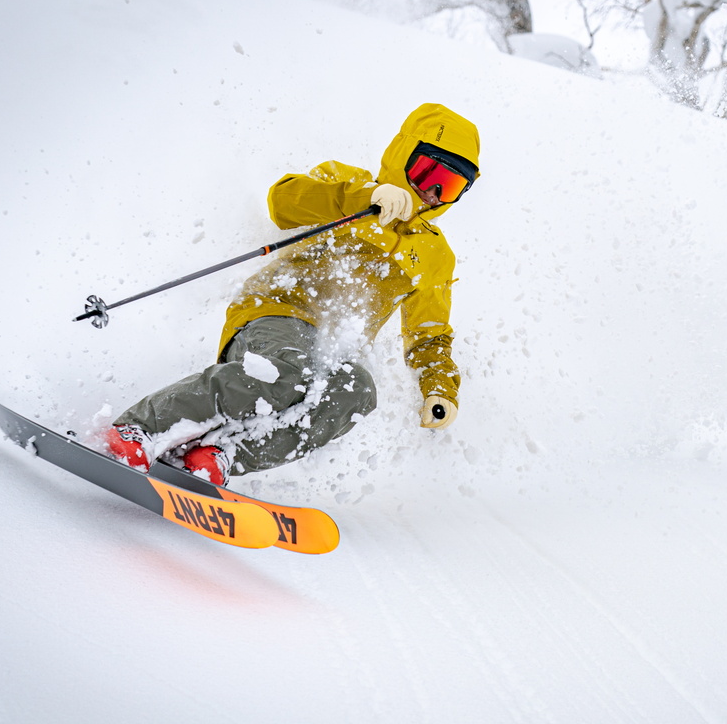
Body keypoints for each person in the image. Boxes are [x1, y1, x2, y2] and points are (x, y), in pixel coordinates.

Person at [103, 102, 480, 485]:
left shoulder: (434, 254)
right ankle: (142, 427)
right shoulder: (350, 185)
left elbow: (429, 333)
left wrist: (439, 390)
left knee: (358, 393)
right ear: (404, 155)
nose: (432, 192)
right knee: (291, 370)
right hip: (276, 310)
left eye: (449, 186)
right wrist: (362, 197)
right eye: (428, 172)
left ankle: (222, 452)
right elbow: (283, 203)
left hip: (333, 346)